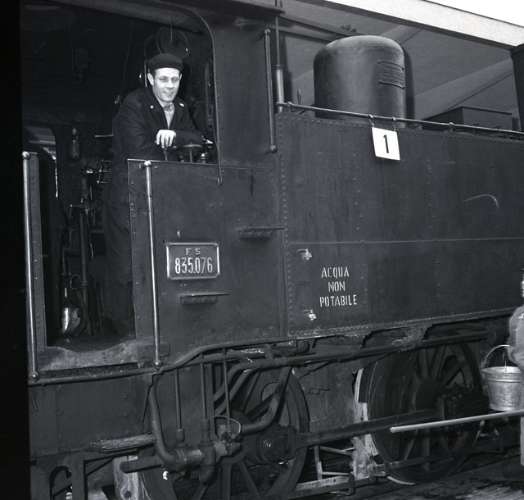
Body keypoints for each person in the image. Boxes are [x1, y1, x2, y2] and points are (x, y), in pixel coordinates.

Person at [103, 52, 203, 336]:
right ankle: (124, 332)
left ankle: (157, 330)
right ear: (150, 79)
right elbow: (140, 152)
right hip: (129, 197)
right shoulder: (133, 105)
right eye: (163, 80)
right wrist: (174, 148)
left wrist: (176, 136)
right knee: (127, 267)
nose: (169, 86)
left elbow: (200, 139)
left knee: (158, 264)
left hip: (162, 195)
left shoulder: (180, 108)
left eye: (174, 80)